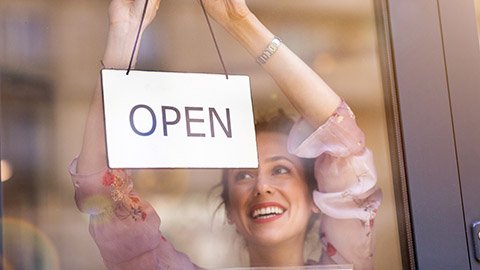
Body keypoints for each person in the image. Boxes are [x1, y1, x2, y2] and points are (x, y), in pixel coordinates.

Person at [69, 0, 382, 269]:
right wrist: (125, 32)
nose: (262, 186)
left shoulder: (348, 262)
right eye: (243, 176)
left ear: (315, 196)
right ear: (230, 209)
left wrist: (240, 21)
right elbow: (103, 194)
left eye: (281, 170)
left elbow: (342, 141)